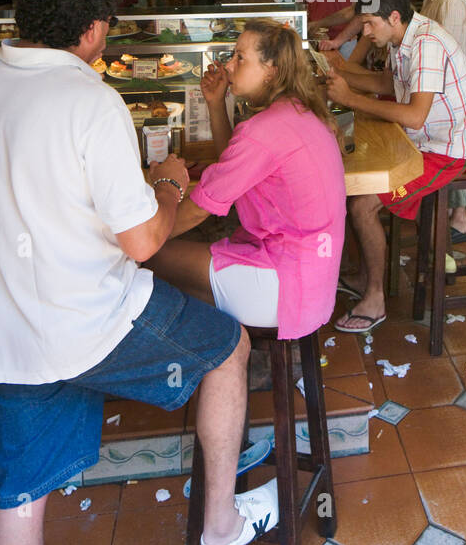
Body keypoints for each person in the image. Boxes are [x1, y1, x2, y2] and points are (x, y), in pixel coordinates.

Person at [0, 0, 274, 545]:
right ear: (93, 28)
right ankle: (219, 525)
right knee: (226, 345)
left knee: (20, 498)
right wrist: (171, 184)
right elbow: (144, 241)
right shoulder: (90, 100)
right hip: (89, 321)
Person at [147, 20, 346, 335]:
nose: (229, 65)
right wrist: (216, 104)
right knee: (173, 249)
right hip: (313, 283)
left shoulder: (264, 130)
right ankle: (218, 347)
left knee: (150, 257)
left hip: (281, 288)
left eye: (241, 57)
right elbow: (236, 173)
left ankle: (202, 351)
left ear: (271, 70)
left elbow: (201, 208)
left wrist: (148, 230)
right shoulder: (301, 113)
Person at [325, 0, 466, 334]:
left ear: (394, 17)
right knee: (353, 180)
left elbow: (413, 116)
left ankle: (376, 298)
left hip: (446, 150)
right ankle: (365, 276)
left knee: (363, 203)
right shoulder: (404, 39)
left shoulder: (426, 44)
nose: (364, 32)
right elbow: (386, 86)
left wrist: (349, 98)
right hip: (421, 142)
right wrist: (339, 76)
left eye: (369, 24)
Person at [412, 0, 466, 239]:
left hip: (448, 94)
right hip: (438, 92)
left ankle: (458, 217)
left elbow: (443, 53)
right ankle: (445, 214)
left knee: (446, 150)